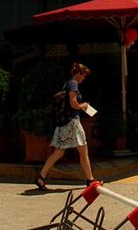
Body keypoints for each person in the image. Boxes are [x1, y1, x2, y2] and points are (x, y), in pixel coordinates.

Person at [35, 62, 95, 190]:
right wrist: (83, 106)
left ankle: (41, 176)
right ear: (79, 74)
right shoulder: (73, 84)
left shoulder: (67, 83)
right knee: (83, 151)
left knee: (59, 152)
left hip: (65, 122)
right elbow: (73, 103)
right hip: (72, 122)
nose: (84, 78)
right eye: (84, 75)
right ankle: (90, 180)